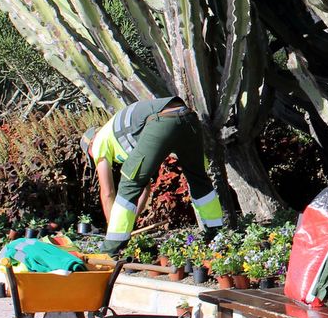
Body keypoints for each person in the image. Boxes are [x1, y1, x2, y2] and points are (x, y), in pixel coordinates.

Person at [82, 97, 223, 255]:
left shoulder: (98, 142)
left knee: (128, 183)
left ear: (90, 144)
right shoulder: (121, 133)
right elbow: (144, 187)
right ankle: (217, 235)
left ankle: (109, 251)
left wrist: (113, 230)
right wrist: (129, 222)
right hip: (187, 117)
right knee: (198, 179)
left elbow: (108, 193)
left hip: (162, 120)